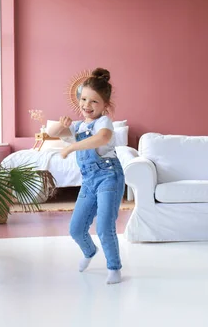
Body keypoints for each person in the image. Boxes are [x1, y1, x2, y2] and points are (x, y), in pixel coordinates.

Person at [47, 68, 126, 285]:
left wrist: (71, 148)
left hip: (109, 176)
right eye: (84, 99)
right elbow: (52, 132)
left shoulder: (104, 123)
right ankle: (90, 251)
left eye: (94, 102)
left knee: (104, 226)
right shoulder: (77, 126)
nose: (87, 106)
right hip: (89, 181)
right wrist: (61, 124)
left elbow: (101, 139)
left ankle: (114, 267)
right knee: (75, 229)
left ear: (105, 106)